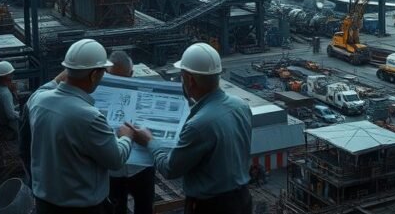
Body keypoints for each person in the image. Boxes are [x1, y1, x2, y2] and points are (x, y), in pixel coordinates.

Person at [132, 43, 252, 214]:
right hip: (242, 199)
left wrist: (149, 141)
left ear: (189, 80)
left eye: (182, 77)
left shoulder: (199, 125)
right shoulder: (241, 106)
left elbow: (170, 169)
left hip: (210, 207)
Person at [21, 38, 135, 214]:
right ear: (94, 75)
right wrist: (127, 136)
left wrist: (74, 66)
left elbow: (52, 84)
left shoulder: (37, 100)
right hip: (82, 208)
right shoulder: (90, 117)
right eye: (102, 72)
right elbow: (116, 160)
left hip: (44, 204)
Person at [106, 51, 156, 214]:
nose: (119, 82)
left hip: (140, 167)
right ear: (106, 72)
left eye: (123, 78)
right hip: (113, 169)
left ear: (131, 73)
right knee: (115, 209)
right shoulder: (97, 95)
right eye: (114, 77)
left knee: (144, 207)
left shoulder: (145, 95)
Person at [0, 61, 20, 141]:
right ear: (7, 76)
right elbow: (11, 115)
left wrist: (14, 93)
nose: (12, 76)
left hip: (0, 125)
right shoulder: (5, 93)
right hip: (9, 129)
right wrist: (23, 114)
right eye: (11, 74)